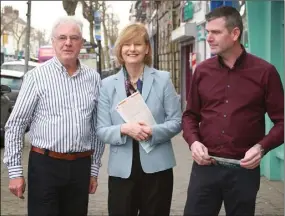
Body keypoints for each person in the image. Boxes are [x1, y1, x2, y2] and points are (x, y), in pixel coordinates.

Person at [182, 6, 284, 216]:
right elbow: (190, 116)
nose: (208, 37)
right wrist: (194, 142)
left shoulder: (265, 72)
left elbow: (282, 121)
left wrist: (261, 147)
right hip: (205, 168)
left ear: (235, 33)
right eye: (208, 32)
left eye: (216, 32)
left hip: (243, 171)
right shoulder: (202, 71)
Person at [3, 16, 105, 216]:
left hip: (79, 167)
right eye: (62, 37)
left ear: (81, 43)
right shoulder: (36, 77)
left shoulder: (93, 79)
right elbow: (15, 125)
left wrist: (93, 170)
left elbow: (96, 129)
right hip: (45, 167)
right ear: (53, 42)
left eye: (74, 38)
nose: (68, 43)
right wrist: (15, 173)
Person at [96, 23, 182, 216]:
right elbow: (101, 129)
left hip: (158, 169)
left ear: (147, 49)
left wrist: (153, 131)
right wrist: (124, 129)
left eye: (137, 44)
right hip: (122, 172)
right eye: (127, 44)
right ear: (120, 50)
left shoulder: (163, 80)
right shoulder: (107, 85)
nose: (132, 49)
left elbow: (177, 121)